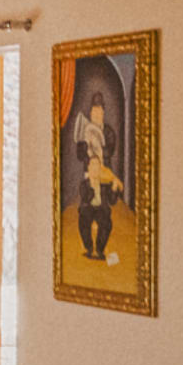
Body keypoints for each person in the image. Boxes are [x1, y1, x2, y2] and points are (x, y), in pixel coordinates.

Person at [68, 91, 122, 263]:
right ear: (90, 113)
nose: (96, 114)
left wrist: (97, 146)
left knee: (105, 212)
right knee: (85, 208)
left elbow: (109, 150)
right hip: (90, 173)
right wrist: (84, 144)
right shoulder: (85, 130)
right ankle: (88, 246)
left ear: (103, 113)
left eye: (99, 112)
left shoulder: (108, 132)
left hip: (103, 172)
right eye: (93, 112)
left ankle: (100, 248)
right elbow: (80, 155)